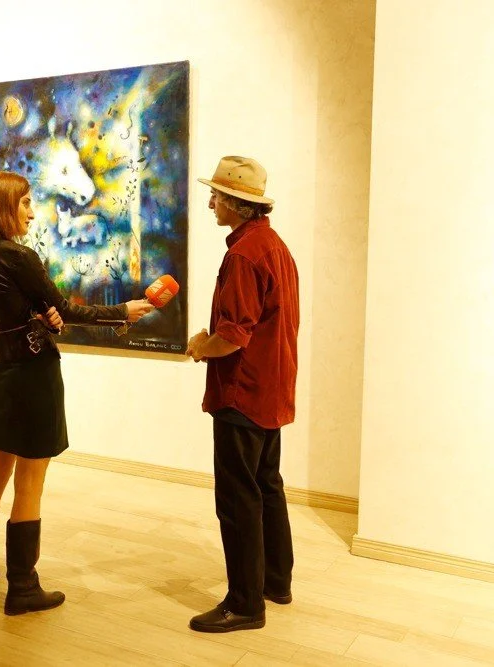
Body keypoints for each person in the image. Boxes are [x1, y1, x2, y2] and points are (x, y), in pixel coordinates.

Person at [0, 171, 153, 615]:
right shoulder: (17, 255)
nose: (31, 210)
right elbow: (64, 308)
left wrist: (41, 316)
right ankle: (23, 587)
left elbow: (27, 310)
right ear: (5, 206)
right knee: (30, 480)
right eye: (25, 202)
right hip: (31, 374)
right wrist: (123, 310)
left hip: (0, 371)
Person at [186, 156, 299, 633]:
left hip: (242, 392)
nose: (211, 201)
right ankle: (275, 581)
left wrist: (199, 348)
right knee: (266, 486)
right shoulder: (274, 245)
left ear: (237, 202)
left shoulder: (243, 255)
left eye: (217, 195)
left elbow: (232, 335)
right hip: (271, 390)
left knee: (237, 499)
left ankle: (245, 603)